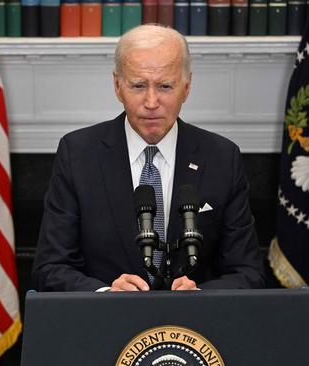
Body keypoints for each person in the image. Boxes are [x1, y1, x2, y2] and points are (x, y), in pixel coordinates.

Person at [32, 24, 265, 292]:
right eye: (138, 85)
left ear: (186, 88)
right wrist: (105, 294)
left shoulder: (222, 158)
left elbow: (248, 273)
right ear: (118, 86)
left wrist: (202, 298)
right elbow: (49, 268)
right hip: (106, 326)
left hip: (194, 328)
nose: (151, 101)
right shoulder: (78, 154)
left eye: (165, 86)